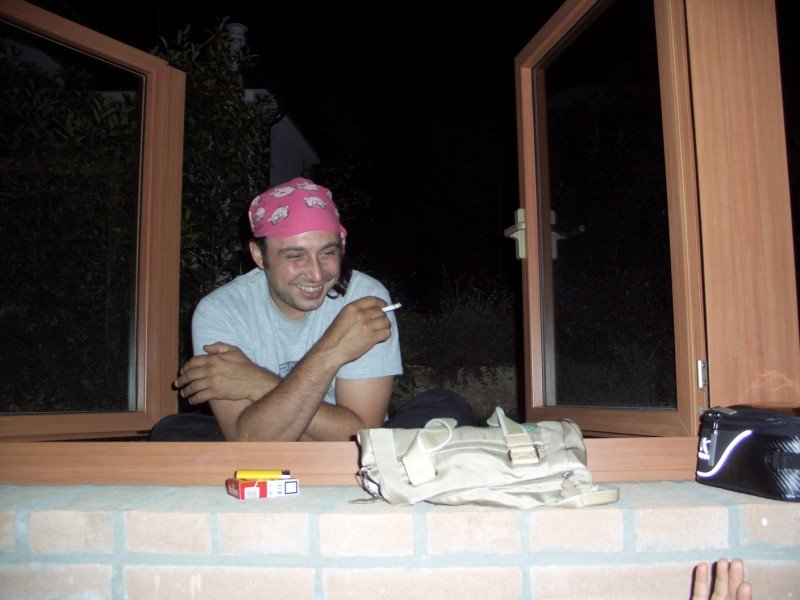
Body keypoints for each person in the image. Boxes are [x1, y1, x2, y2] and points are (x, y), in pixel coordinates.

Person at [153, 177, 475, 441]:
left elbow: (361, 435)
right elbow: (248, 440)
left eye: (327, 253)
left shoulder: (364, 298)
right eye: (295, 256)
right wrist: (332, 351)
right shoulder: (220, 311)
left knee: (445, 408)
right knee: (174, 431)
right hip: (273, 444)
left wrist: (258, 383)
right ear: (259, 255)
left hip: (343, 447)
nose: (317, 274)